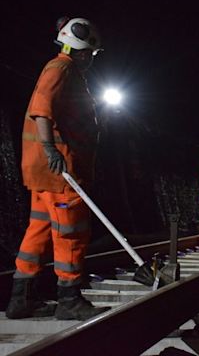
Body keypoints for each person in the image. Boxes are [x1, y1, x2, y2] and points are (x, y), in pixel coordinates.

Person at [6, 17, 109, 320]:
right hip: (60, 170)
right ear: (78, 50)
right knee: (71, 232)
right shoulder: (61, 68)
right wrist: (51, 149)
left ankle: (20, 299)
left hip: (45, 174)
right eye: (89, 54)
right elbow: (42, 109)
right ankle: (69, 299)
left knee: (38, 230)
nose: (90, 59)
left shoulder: (67, 71)